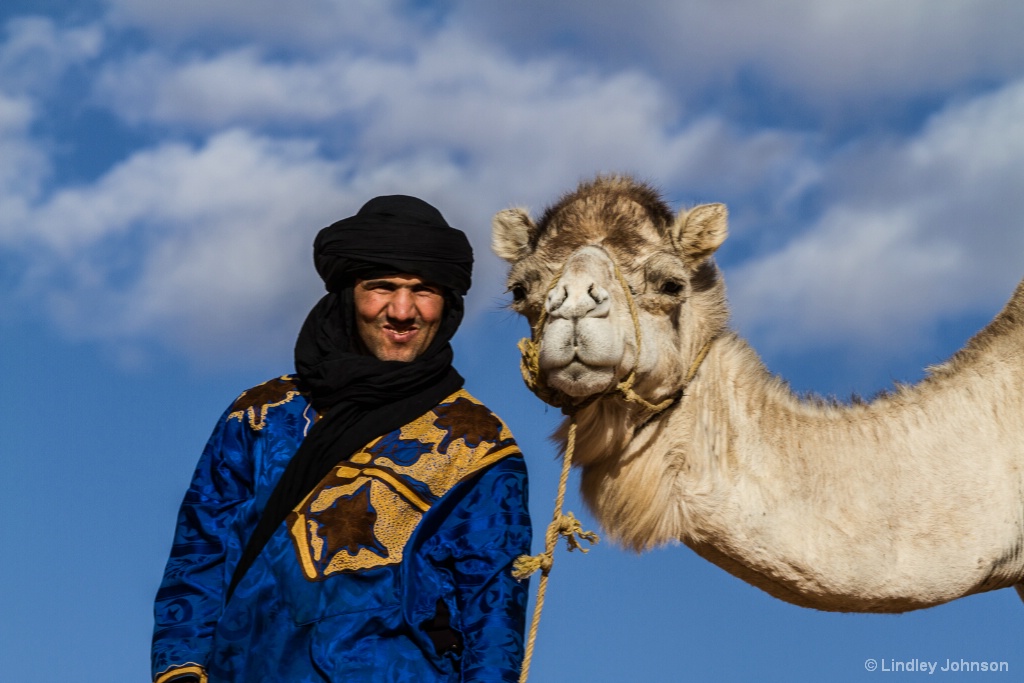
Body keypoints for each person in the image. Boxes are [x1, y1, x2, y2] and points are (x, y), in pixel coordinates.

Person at [152, 196, 532, 683]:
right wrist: (179, 671)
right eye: (382, 287)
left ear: (448, 303)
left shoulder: (478, 445)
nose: (402, 310)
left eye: (423, 290)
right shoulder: (260, 416)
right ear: (349, 295)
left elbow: (494, 612)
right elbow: (199, 555)